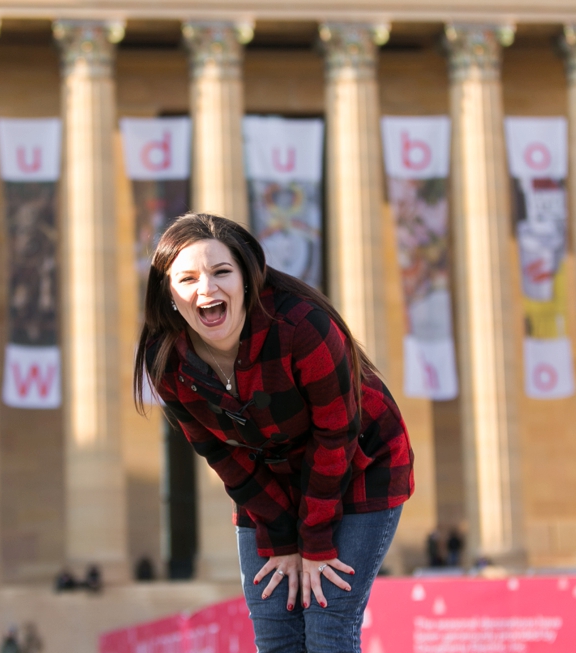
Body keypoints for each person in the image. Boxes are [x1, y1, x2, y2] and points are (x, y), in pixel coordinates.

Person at [134, 213, 414, 652]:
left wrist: (315, 540)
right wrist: (282, 537)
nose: (207, 289)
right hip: (271, 478)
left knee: (327, 619)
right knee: (274, 624)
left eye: (221, 271)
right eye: (187, 278)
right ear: (169, 295)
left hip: (360, 462)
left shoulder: (301, 326)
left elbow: (335, 433)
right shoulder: (168, 361)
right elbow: (220, 454)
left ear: (248, 278)